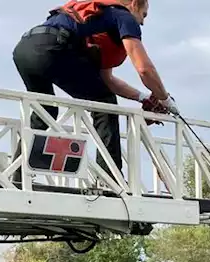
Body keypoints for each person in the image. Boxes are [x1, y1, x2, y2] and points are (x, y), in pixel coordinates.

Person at [12, 0, 176, 178]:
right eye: (143, 15)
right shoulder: (123, 16)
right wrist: (165, 99)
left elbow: (108, 81)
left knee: (45, 110)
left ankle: (17, 174)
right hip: (53, 48)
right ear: (135, 4)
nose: (143, 22)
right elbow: (144, 69)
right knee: (105, 104)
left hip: (24, 48)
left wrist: (144, 97)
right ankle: (109, 179)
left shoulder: (98, 20)